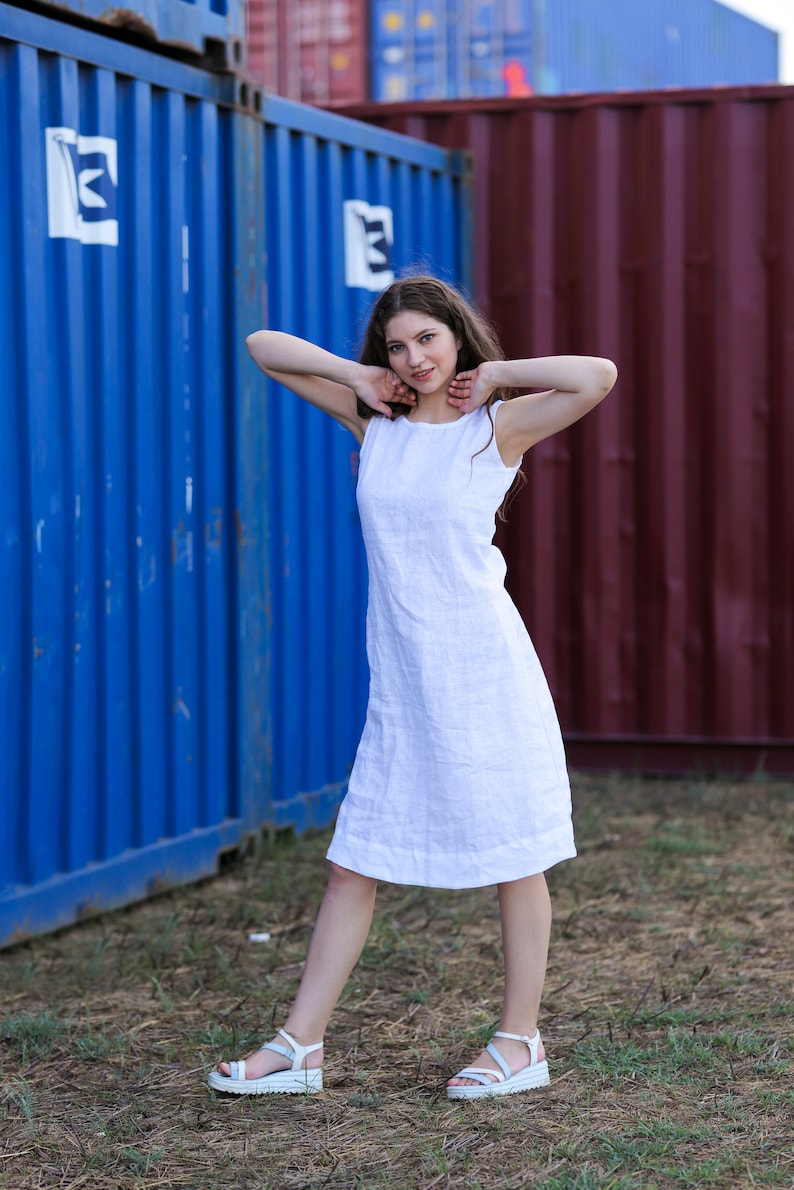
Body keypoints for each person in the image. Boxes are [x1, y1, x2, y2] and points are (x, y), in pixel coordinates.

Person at [208, 275, 617, 1101]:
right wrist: (356, 377)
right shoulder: (378, 419)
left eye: (428, 339)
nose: (413, 357)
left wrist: (498, 377)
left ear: (457, 338)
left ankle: (519, 1041)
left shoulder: (495, 425)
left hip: (482, 675)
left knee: (517, 859)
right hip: (403, 685)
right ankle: (300, 1047)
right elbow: (263, 350)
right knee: (354, 861)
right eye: (396, 345)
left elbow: (596, 374)